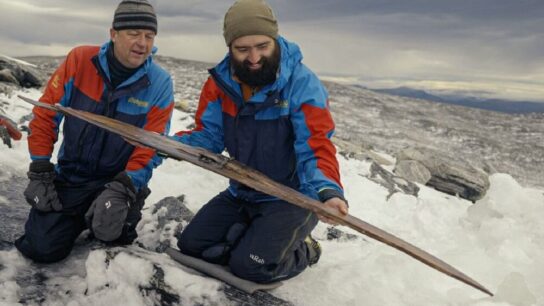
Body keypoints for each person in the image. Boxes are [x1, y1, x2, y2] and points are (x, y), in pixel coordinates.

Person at [174, 0, 348, 283]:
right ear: (230, 48)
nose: (254, 58)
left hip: (292, 199)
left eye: (262, 47)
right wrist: (168, 144)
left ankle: (306, 250)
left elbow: (315, 145)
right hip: (243, 192)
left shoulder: (302, 84)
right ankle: (253, 234)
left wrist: (326, 191)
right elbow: (209, 136)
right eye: (243, 49)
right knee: (193, 246)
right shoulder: (220, 85)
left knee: (250, 268)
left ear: (275, 41)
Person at [15, 0, 174, 263]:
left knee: (111, 236)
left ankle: (112, 211)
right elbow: (46, 113)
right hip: (72, 176)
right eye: (134, 34)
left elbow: (152, 145)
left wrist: (126, 186)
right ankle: (79, 214)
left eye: (149, 35)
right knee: (41, 248)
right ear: (113, 34)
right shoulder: (80, 61)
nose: (142, 43)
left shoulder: (159, 82)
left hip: (117, 181)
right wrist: (41, 170)